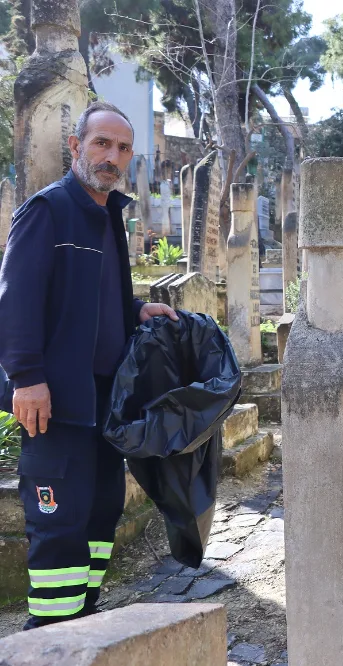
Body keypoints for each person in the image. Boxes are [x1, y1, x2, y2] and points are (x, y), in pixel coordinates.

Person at [0, 101, 177, 629]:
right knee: (59, 519)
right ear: (76, 146)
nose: (112, 156)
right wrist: (26, 378)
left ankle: (85, 620)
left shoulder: (107, 215)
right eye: (102, 143)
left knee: (102, 511)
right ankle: (50, 636)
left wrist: (135, 309)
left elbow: (93, 295)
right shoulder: (48, 210)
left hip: (105, 398)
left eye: (122, 148)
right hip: (54, 400)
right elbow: (16, 301)